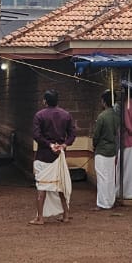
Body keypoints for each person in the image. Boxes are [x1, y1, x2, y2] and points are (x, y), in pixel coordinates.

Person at [30, 89, 76, 225]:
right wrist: (63, 145)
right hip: (59, 156)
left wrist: (49, 145)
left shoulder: (39, 115)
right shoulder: (66, 115)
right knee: (61, 185)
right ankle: (66, 215)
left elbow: (36, 135)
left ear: (45, 101)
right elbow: (72, 134)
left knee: (41, 186)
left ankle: (40, 217)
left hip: (44, 155)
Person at [91, 90, 121, 210]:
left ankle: (103, 203)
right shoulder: (116, 116)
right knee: (110, 177)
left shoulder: (102, 116)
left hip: (102, 150)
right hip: (112, 150)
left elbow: (96, 135)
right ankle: (110, 200)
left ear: (104, 102)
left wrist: (94, 145)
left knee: (102, 178)